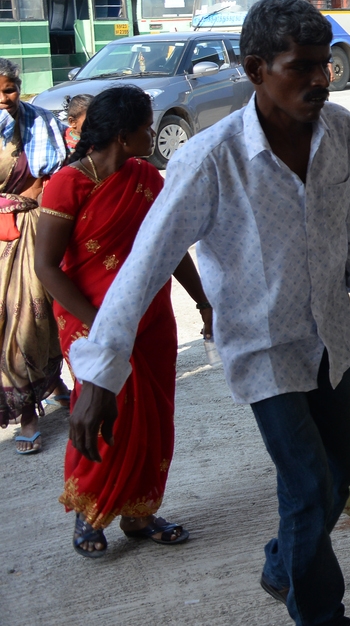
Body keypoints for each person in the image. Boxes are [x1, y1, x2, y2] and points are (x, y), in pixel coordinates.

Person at [69, 0, 350, 625]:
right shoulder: (210, 160)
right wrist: (100, 371)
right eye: (300, 67)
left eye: (323, 67)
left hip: (332, 337)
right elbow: (144, 265)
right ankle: (323, 615)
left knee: (338, 480)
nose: (319, 79)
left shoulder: (341, 132)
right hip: (262, 349)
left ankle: (283, 565)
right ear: (255, 69)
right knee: (309, 487)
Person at [35, 86, 212, 557]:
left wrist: (202, 300)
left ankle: (139, 512)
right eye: (144, 126)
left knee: (154, 414)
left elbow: (169, 245)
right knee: (101, 409)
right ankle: (89, 512)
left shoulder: (146, 178)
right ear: (121, 133)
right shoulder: (66, 184)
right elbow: (47, 267)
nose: (151, 133)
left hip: (149, 316)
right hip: (88, 318)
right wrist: (103, 325)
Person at [0, 59, 68, 454]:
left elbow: (54, 176)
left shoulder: (41, 122)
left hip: (32, 231)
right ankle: (47, 389)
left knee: (33, 317)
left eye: (10, 90)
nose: (5, 99)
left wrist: (35, 191)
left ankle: (30, 411)